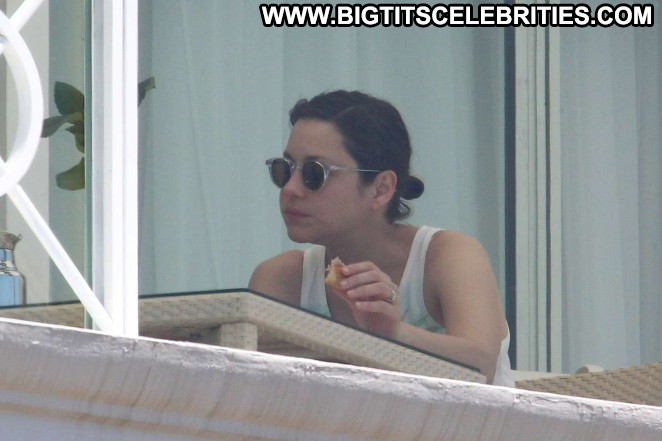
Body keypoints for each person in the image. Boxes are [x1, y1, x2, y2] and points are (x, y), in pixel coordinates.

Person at [249, 90, 514, 387]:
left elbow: (481, 367)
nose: (290, 189)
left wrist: (394, 334)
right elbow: (253, 385)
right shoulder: (282, 280)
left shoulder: (447, 256)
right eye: (284, 169)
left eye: (314, 173)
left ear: (381, 188)